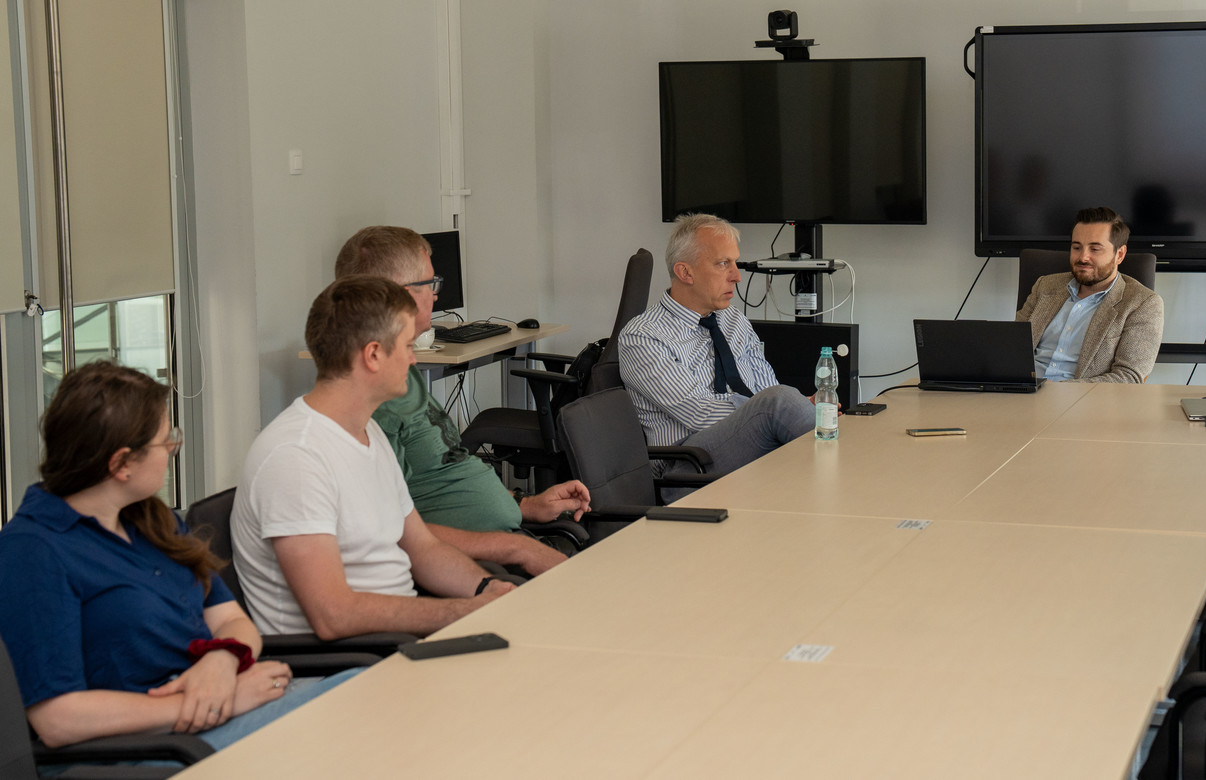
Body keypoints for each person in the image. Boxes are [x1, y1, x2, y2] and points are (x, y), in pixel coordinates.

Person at [0, 362, 357, 753]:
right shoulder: (33, 551)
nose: (172, 448)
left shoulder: (154, 521)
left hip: (214, 715)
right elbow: (58, 720)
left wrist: (221, 661)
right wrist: (214, 703)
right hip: (151, 749)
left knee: (365, 693)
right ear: (121, 464)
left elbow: (232, 621)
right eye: (164, 440)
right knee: (356, 718)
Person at [231, 276, 519, 638]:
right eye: (407, 346)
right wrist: (465, 613)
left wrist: (488, 589)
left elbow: (423, 549)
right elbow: (333, 616)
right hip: (349, 661)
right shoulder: (295, 458)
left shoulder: (370, 433)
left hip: (395, 641)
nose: (413, 359)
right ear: (373, 355)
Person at [334, 226, 589, 574]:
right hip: (477, 563)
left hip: (508, 540)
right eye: (431, 283)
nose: (436, 295)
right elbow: (392, 532)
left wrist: (527, 504)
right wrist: (514, 548)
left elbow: (448, 468)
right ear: (401, 296)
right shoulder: (374, 398)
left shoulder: (401, 369)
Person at [618, 213, 813, 479]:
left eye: (735, 262)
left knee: (803, 410)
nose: (737, 276)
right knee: (780, 404)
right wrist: (776, 410)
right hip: (689, 465)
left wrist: (798, 409)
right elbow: (699, 413)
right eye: (723, 264)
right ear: (685, 272)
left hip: (751, 442)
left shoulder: (733, 319)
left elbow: (767, 387)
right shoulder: (643, 336)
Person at [1016, 206, 1164, 383]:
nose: (1083, 257)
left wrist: (1057, 391)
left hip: (1083, 396)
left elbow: (1128, 376)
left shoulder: (1143, 303)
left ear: (1119, 254)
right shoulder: (1045, 285)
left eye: (1094, 249)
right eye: (1076, 247)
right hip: (1022, 390)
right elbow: (1013, 346)